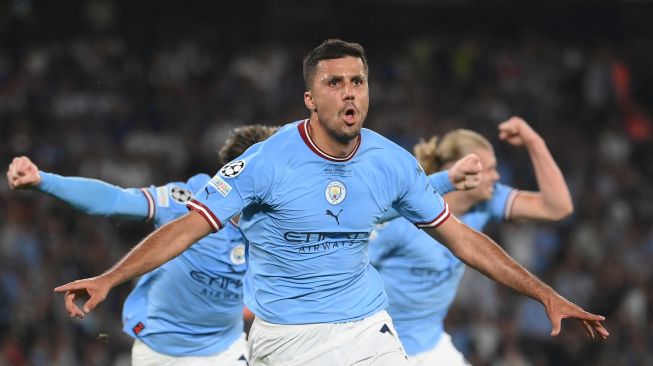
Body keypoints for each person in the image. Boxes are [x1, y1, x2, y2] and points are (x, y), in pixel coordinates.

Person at [52, 39, 608, 366]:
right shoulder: (267, 161)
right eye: (335, 82)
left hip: (367, 327)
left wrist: (545, 294)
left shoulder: (391, 162)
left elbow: (462, 238)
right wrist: (110, 278)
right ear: (310, 97)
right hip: (286, 338)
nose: (350, 92)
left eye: (359, 81)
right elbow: (187, 227)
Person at [7, 125, 278, 366]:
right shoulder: (188, 201)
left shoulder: (280, 221)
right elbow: (114, 200)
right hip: (160, 351)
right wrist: (44, 181)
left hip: (225, 351)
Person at [370, 117, 577, 365]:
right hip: (382, 348)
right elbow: (349, 267)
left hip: (432, 346)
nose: (497, 176)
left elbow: (557, 207)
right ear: (458, 166)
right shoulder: (403, 218)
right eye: (488, 168)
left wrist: (534, 142)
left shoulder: (486, 201)